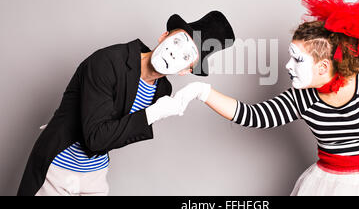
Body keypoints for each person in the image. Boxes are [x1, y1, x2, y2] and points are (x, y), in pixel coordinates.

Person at [174, 0, 359, 196]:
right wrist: (202, 91)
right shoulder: (302, 96)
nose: (287, 65)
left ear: (324, 66)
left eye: (297, 59)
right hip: (329, 183)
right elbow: (255, 116)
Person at [17, 11, 235, 196]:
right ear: (163, 36)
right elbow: (96, 138)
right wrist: (152, 114)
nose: (174, 52)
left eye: (187, 56)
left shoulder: (163, 90)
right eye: (177, 41)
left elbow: (117, 135)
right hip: (58, 169)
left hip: (95, 174)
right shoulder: (107, 62)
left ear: (185, 71)